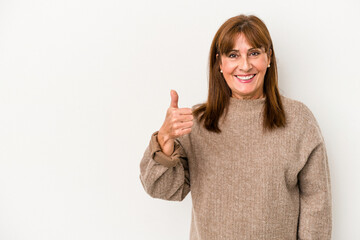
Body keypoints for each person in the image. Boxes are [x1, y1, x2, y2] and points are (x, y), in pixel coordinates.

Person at [139, 14, 332, 240]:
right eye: (233, 55)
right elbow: (160, 188)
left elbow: (317, 207)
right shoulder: (198, 123)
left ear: (268, 58)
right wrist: (164, 140)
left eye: (254, 53)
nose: (245, 65)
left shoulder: (299, 121)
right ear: (220, 63)